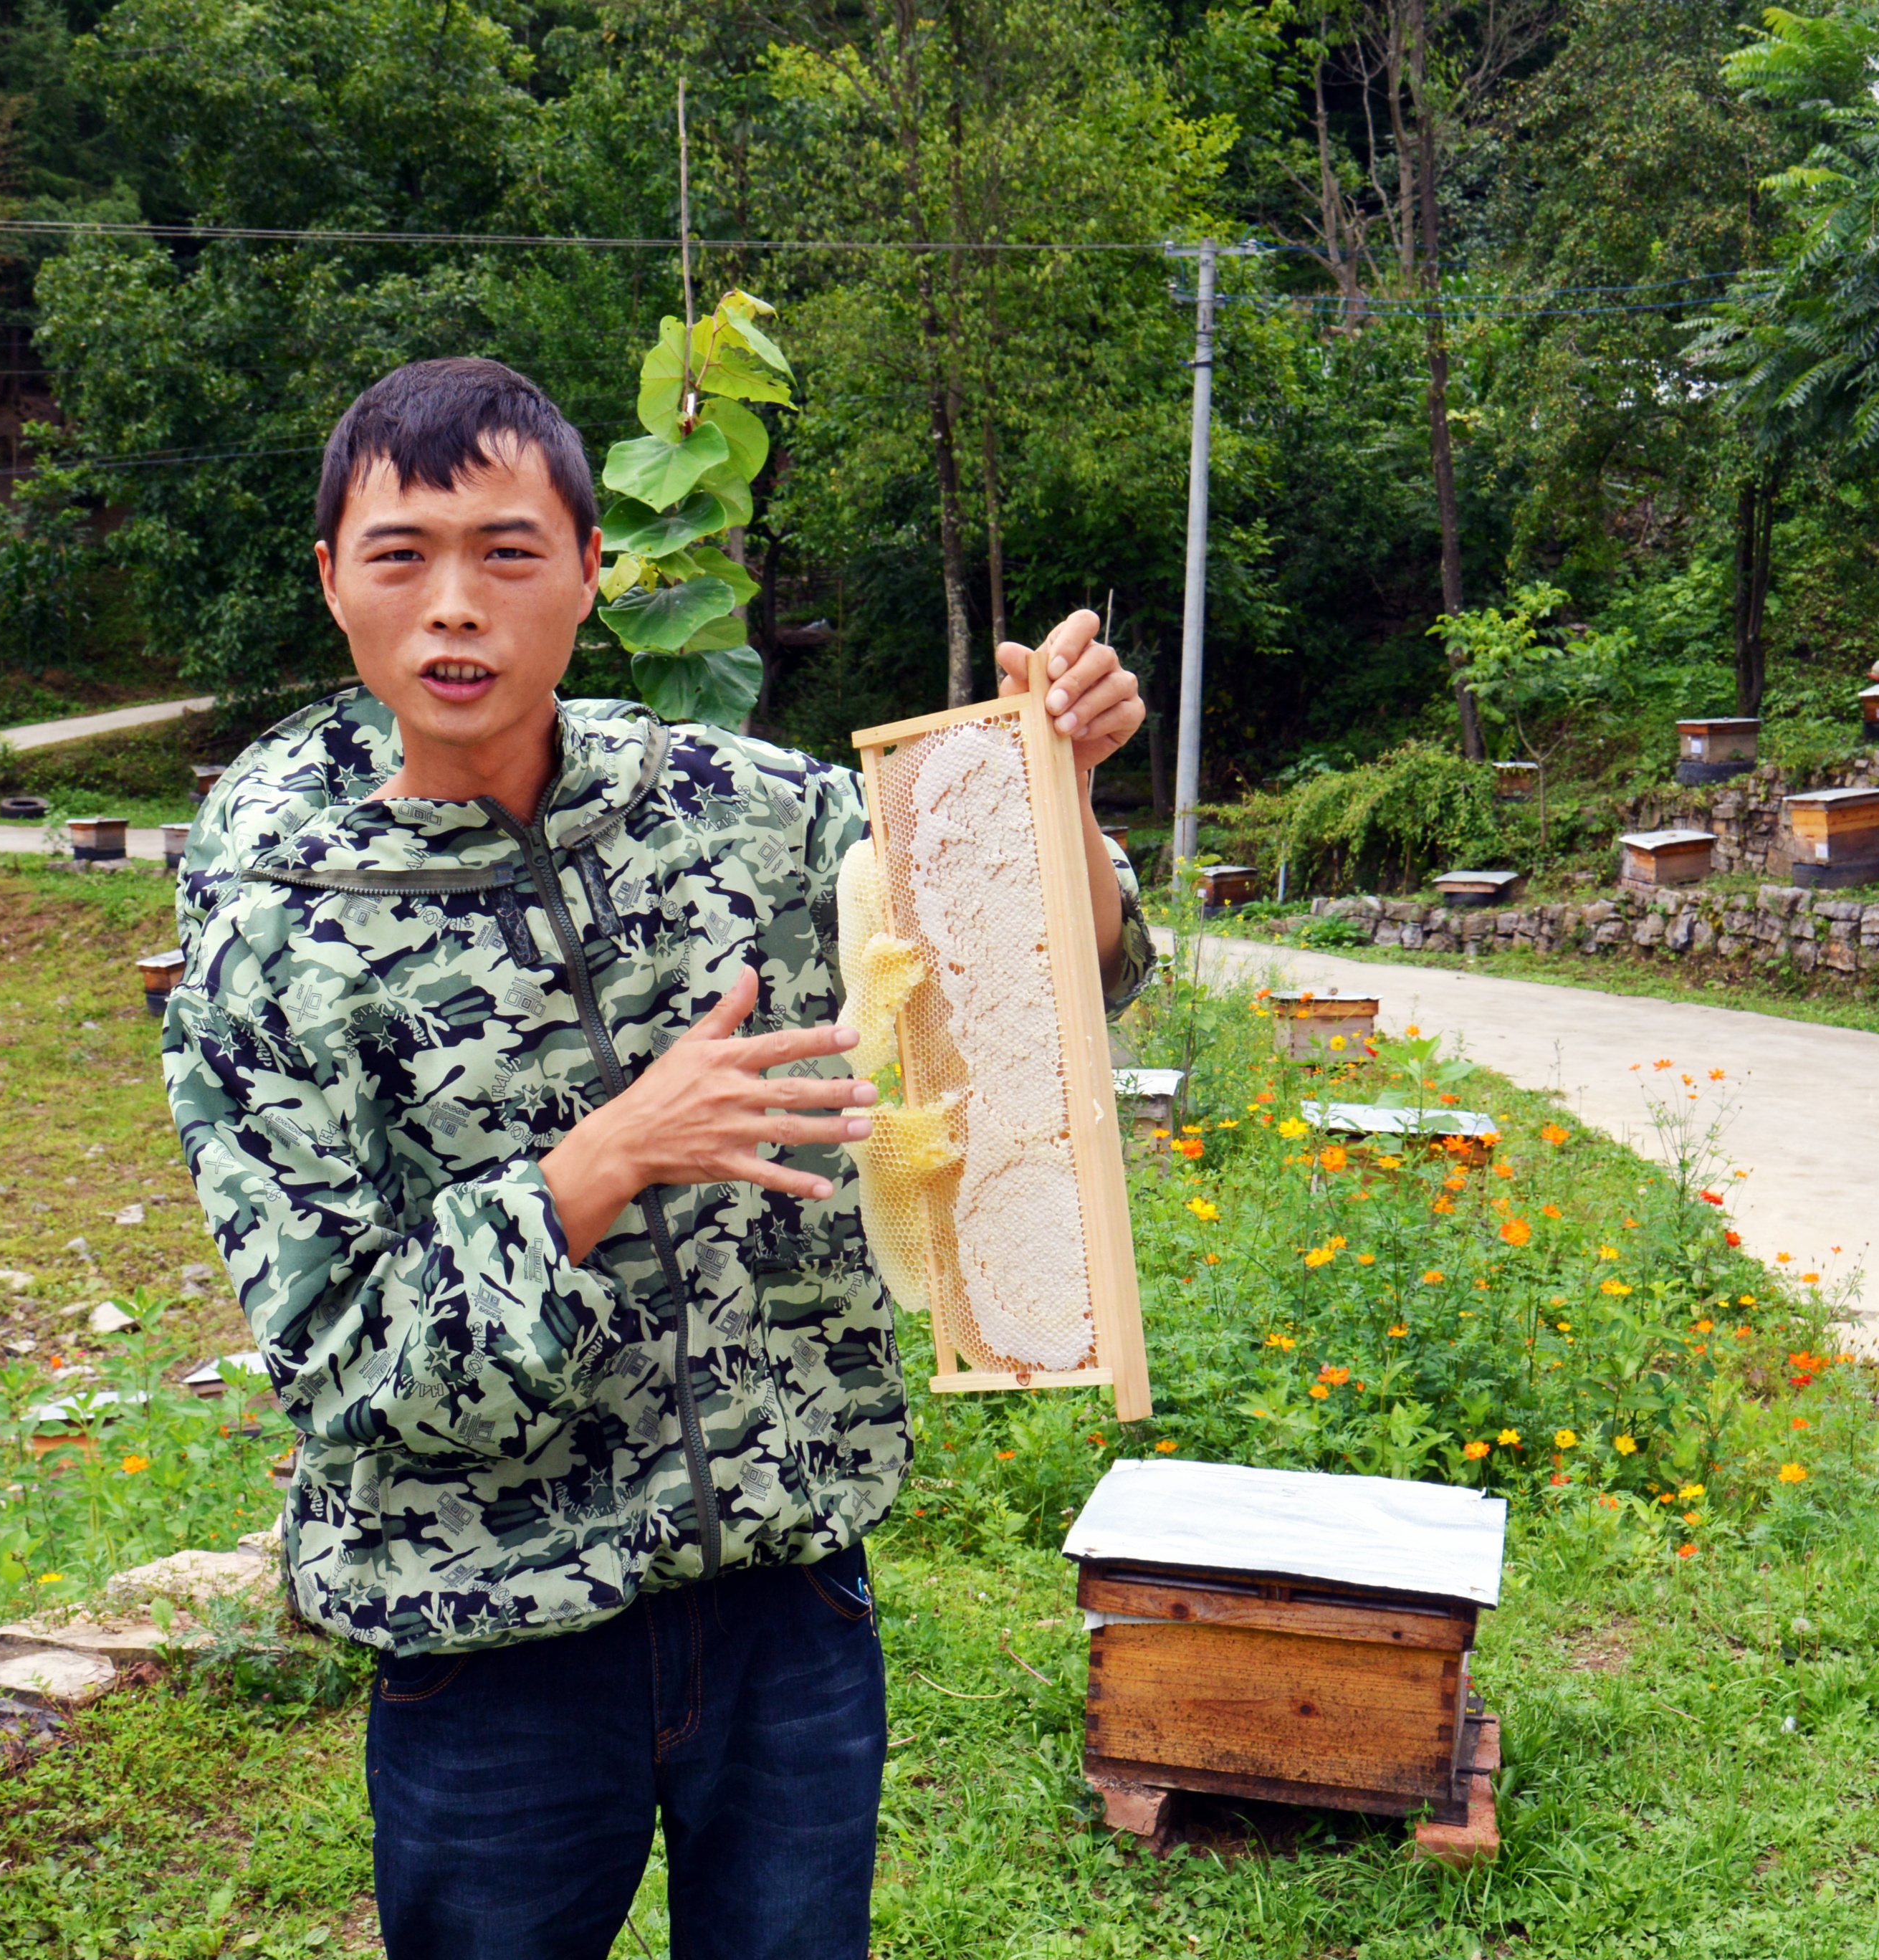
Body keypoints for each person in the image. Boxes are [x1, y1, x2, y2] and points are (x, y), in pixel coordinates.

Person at [164, 357, 1152, 1959]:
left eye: (507, 551)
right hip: (489, 1636)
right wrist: (603, 1160)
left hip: (782, 1593)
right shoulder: (270, 930)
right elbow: (344, 1361)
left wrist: (1045, 794)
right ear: (332, 581)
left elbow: (1019, 975)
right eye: (402, 556)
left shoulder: (735, 810)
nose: (455, 610)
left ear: (590, 573)